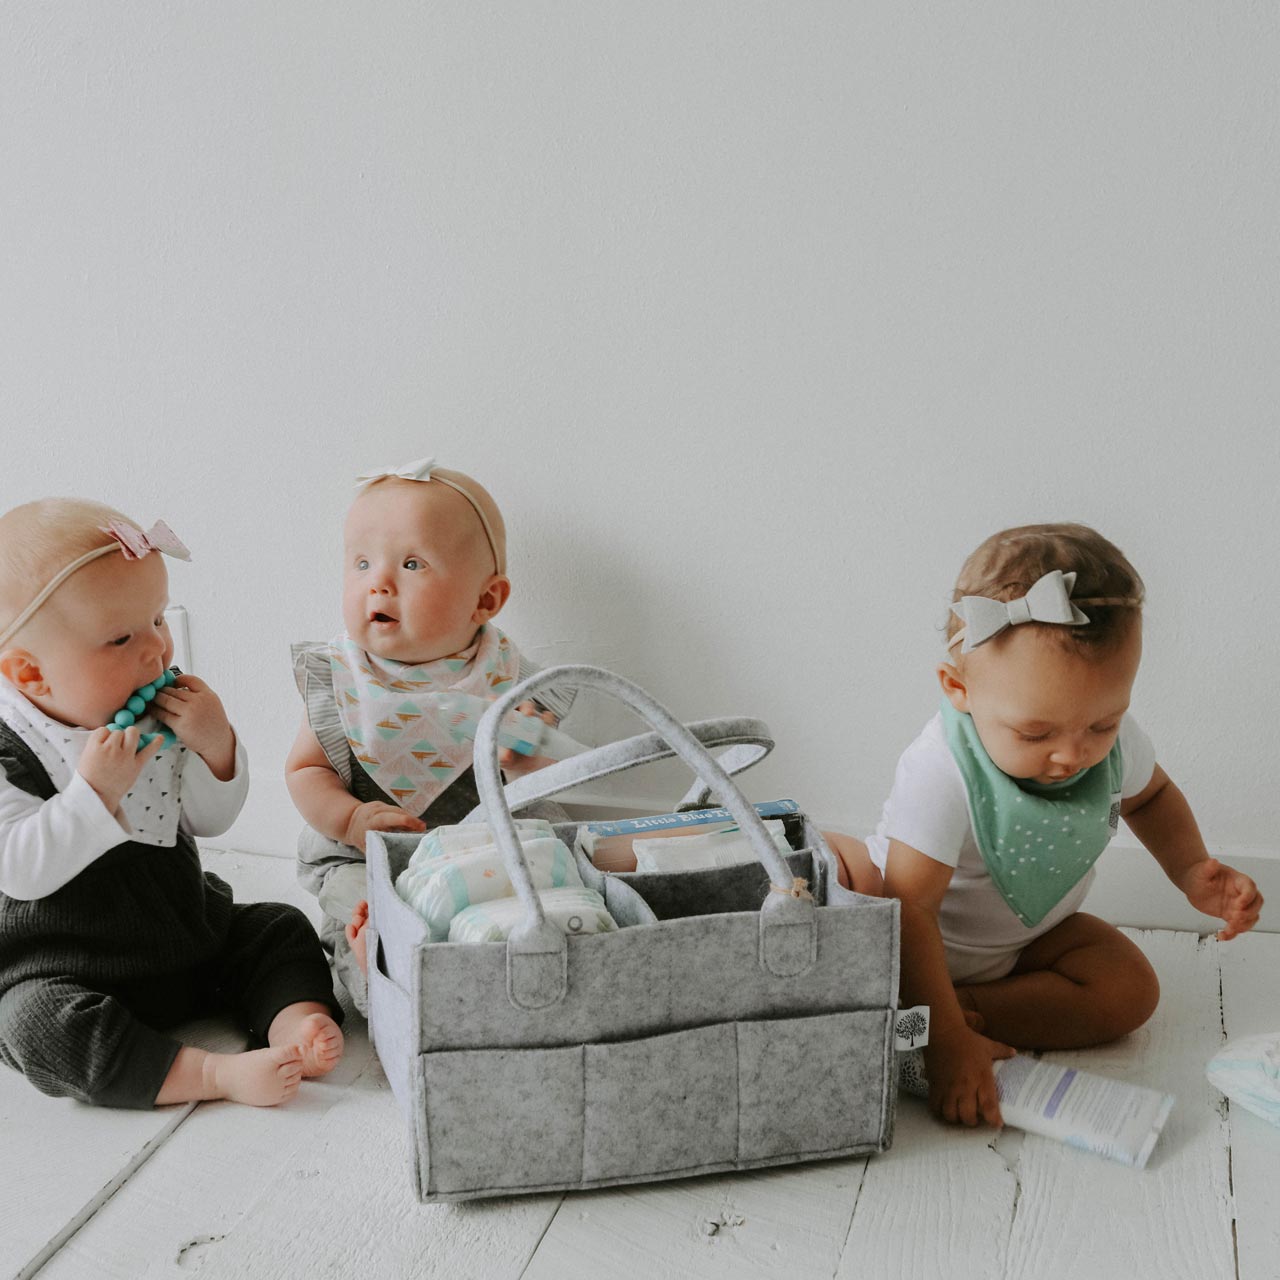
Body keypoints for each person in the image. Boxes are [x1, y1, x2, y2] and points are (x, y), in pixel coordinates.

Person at [838, 523, 1262, 1127]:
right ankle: (926, 1015)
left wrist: (1192, 868)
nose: (1074, 754)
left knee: (1129, 990)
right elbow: (912, 910)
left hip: (1023, 943)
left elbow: (1152, 795)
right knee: (838, 878)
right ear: (958, 689)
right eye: (1036, 733)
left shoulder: (1107, 746)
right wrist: (946, 1047)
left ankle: (962, 1010)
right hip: (900, 930)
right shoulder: (941, 769)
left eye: (1103, 724)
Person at [0, 498, 343, 1109]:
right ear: (31, 675)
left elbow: (207, 820)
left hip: (184, 935)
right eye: (121, 637)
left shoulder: (157, 711)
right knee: (34, 1026)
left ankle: (294, 1021)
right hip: (65, 965)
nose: (156, 650)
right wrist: (93, 795)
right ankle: (207, 1074)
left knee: (278, 927)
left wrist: (215, 747)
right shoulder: (10, 751)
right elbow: (23, 870)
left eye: (158, 619)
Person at [286, 458, 572, 1012]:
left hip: (488, 849)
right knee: (357, 904)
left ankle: (521, 964)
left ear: (486, 601)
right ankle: (381, 969)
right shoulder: (341, 678)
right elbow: (306, 770)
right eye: (362, 562)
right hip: (368, 858)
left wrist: (523, 756)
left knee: (547, 868)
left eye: (412, 563)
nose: (379, 583)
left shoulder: (509, 679)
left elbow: (545, 783)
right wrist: (348, 818)